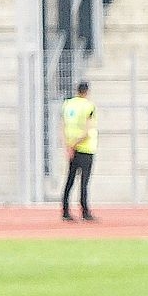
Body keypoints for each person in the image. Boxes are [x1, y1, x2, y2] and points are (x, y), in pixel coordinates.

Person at [60, 82, 97, 223]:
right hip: (85, 148)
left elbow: (63, 126)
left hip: (71, 148)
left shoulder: (68, 104)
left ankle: (65, 211)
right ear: (87, 92)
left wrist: (68, 146)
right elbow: (87, 130)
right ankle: (85, 212)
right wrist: (76, 144)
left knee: (69, 180)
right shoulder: (89, 106)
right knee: (84, 182)